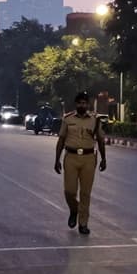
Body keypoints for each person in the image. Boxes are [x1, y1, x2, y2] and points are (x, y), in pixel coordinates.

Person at [55, 91, 107, 235]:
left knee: (85, 193)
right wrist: (56, 159)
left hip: (88, 158)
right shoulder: (68, 119)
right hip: (71, 157)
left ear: (88, 104)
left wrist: (104, 159)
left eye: (84, 103)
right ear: (76, 104)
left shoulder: (95, 120)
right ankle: (74, 209)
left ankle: (83, 223)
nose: (82, 105)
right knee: (69, 191)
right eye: (80, 103)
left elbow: (101, 141)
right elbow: (61, 140)